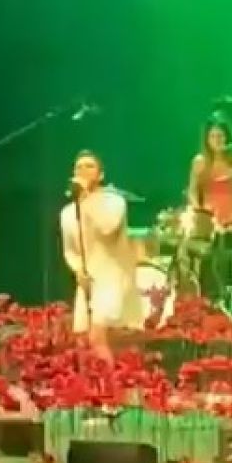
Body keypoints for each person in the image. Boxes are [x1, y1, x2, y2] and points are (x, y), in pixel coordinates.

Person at [60, 150, 142, 360]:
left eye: (89, 166)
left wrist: (88, 199)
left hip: (112, 278)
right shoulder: (68, 212)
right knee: (88, 342)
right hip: (88, 282)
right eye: (79, 167)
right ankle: (103, 377)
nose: (83, 170)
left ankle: (112, 378)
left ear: (101, 174)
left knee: (99, 338)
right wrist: (77, 270)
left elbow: (107, 227)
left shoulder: (114, 202)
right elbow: (70, 250)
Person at [185, 121, 232, 305]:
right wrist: (199, 213)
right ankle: (209, 298)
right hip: (209, 217)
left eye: (221, 136)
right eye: (213, 136)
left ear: (228, 137)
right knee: (209, 259)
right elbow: (192, 191)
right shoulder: (200, 162)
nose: (217, 140)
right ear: (207, 139)